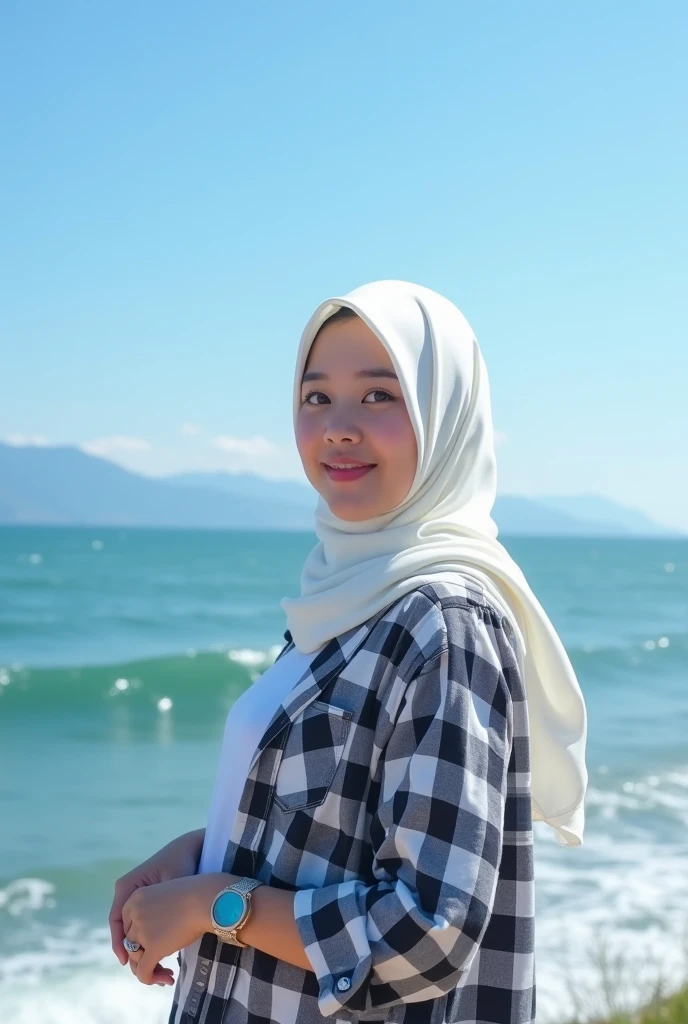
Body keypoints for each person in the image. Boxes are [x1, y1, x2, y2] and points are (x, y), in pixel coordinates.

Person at [108, 280, 588, 1024]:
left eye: (378, 397)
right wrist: (200, 854)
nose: (337, 427)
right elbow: (338, 829)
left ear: (445, 414)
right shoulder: (348, 598)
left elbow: (430, 929)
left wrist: (213, 903)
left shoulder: (445, 622)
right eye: (315, 397)